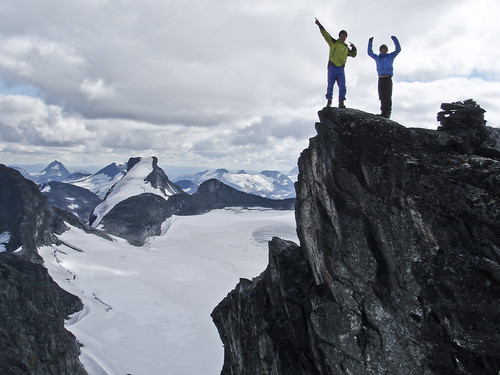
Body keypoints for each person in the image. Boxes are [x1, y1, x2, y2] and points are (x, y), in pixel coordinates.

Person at [315, 18, 357, 108]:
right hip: (332, 66)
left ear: (346, 37)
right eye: (342, 36)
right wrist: (319, 25)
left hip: (341, 68)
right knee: (330, 85)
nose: (343, 37)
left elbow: (353, 54)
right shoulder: (333, 42)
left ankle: (341, 102)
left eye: (344, 36)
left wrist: (354, 48)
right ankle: (329, 101)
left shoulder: (346, 47)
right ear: (339, 36)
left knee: (342, 87)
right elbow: (325, 34)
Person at [367, 35, 401, 118]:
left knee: (387, 96)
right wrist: (370, 42)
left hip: (388, 78)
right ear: (380, 50)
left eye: (385, 49)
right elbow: (369, 53)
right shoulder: (377, 58)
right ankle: (383, 112)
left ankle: (387, 113)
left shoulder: (390, 56)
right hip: (381, 79)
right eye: (382, 49)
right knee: (382, 96)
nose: (383, 50)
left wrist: (394, 39)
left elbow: (398, 49)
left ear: (387, 50)